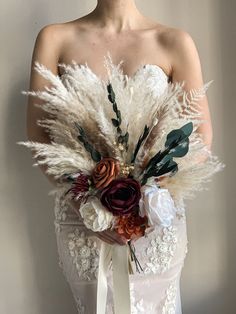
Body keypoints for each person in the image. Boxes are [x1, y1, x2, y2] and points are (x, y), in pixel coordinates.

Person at [26, 0, 213, 313]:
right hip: (83, 218)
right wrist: (86, 204)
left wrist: (152, 197)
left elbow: (202, 138)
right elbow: (38, 133)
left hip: (154, 219)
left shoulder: (174, 41)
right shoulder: (54, 38)